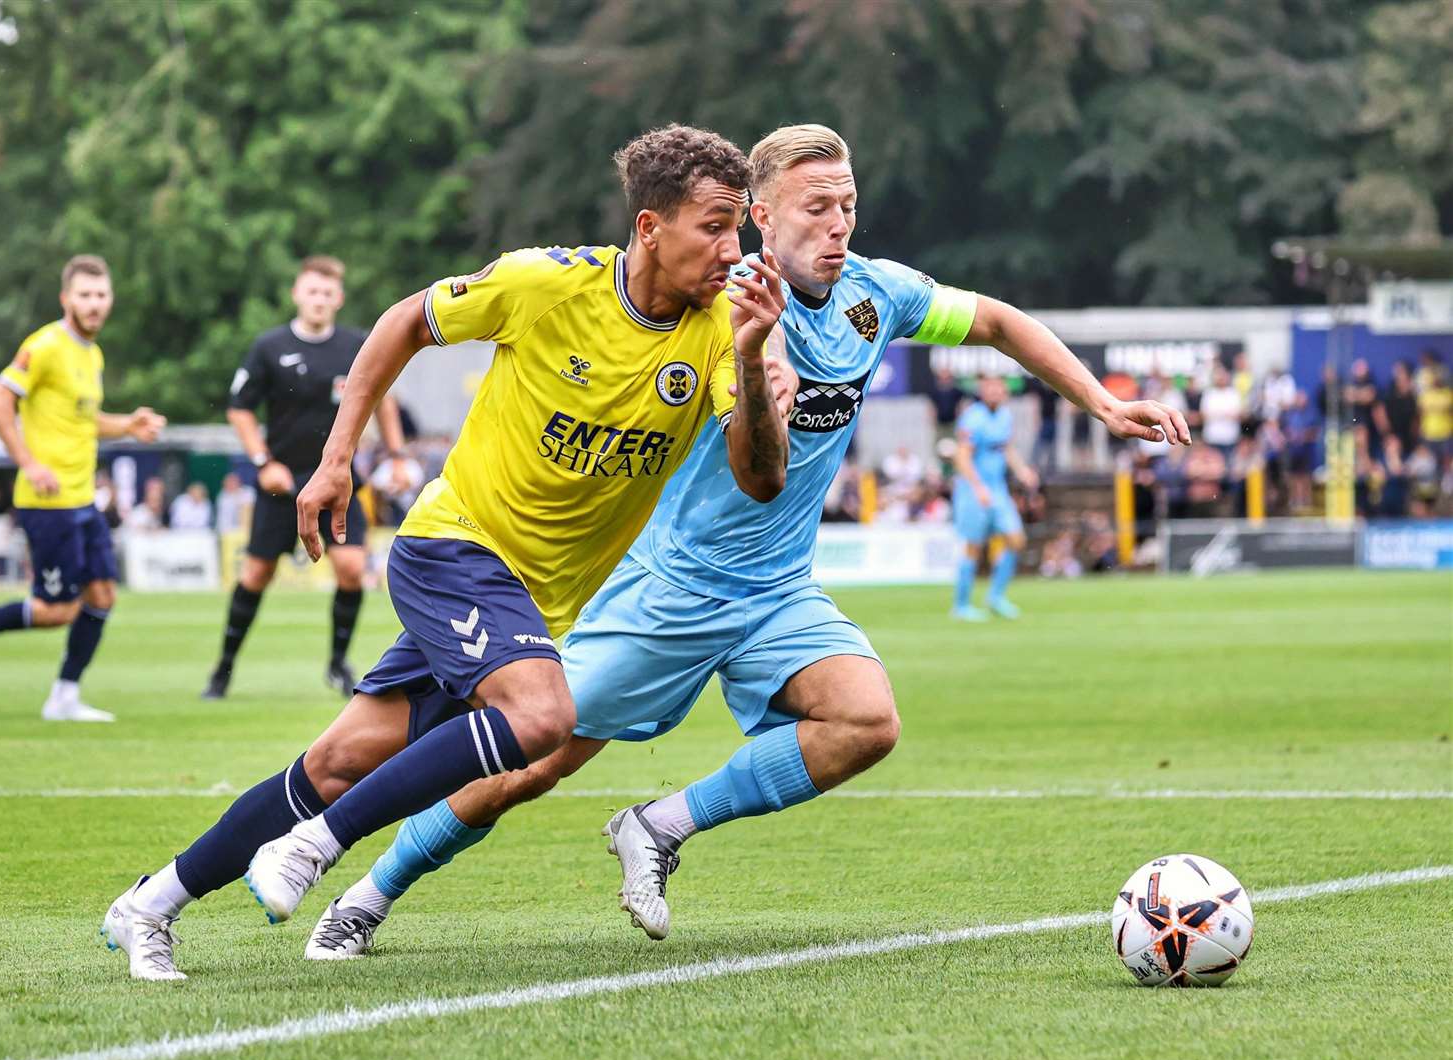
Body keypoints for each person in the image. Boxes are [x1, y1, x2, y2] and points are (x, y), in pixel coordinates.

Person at [297, 124, 1188, 958]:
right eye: (815, 208)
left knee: (866, 720)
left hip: (776, 590)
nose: (837, 226)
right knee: (532, 759)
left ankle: (661, 825)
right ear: (761, 217)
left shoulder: (879, 295)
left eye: (846, 205)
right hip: (665, 585)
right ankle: (368, 896)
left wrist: (1102, 402)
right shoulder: (717, 301)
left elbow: (996, 320)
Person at [100, 124, 789, 979]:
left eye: (740, 229)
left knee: (340, 760)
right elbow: (402, 324)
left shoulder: (733, 327)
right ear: (650, 227)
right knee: (543, 716)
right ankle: (315, 847)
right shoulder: (545, 283)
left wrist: (756, 362)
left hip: (529, 603)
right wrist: (336, 457)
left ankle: (149, 903)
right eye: (714, 226)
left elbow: (761, 476)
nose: (734, 249)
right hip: (452, 547)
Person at [0, 255, 165, 721]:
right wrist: (28, 463)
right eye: (85, 295)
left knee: (103, 597)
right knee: (56, 611)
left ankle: (64, 697)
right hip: (48, 504)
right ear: (66, 298)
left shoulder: (92, 354)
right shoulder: (45, 345)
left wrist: (128, 425)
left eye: (101, 294)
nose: (94, 304)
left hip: (82, 499)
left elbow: (83, 422)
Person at [203, 256, 403, 701]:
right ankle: (223, 669)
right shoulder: (268, 347)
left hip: (337, 480)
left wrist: (398, 454)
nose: (319, 300)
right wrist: (261, 462)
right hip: (282, 484)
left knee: (352, 568)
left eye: (328, 293)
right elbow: (239, 408)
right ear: (297, 293)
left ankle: (337, 663)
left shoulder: (356, 345)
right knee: (256, 574)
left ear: (339, 299)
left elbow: (384, 399)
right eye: (312, 291)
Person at [951, 375, 1039, 621]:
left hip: (998, 488)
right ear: (982, 392)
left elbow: (1006, 448)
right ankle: (961, 605)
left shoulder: (1005, 416)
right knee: (973, 547)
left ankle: (995, 596)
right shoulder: (973, 417)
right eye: (989, 389)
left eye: (998, 389)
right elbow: (962, 456)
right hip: (973, 490)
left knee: (1016, 540)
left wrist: (1022, 471)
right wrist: (978, 488)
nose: (994, 393)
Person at [213, 471, 253, 536]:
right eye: (228, 482)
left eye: (233, 482)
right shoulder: (222, 496)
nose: (231, 484)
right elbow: (222, 520)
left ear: (239, 483)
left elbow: (248, 511)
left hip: (247, 530)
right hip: (228, 532)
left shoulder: (248, 491)